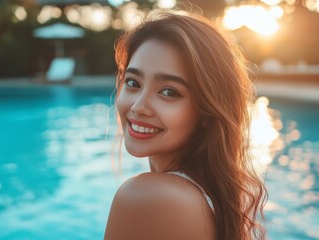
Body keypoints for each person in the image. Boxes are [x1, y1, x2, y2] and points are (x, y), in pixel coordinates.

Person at [104, 11, 267, 240]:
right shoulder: (213, 198)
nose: (139, 106)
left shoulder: (146, 197)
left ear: (207, 111)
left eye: (169, 92)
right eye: (133, 82)